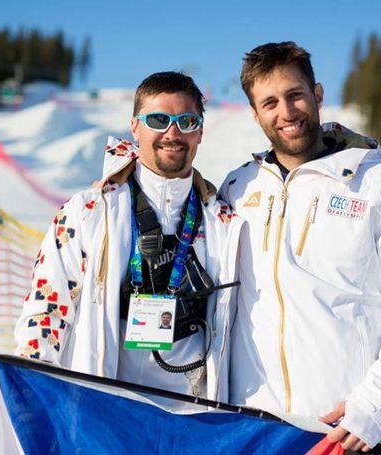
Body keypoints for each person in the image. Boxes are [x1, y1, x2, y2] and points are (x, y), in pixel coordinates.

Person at [220, 42, 381, 453]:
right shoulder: (237, 189)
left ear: (318, 94)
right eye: (269, 102)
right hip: (256, 432)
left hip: (351, 433)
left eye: (295, 95)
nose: (286, 112)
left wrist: (374, 408)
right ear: (255, 114)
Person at [15, 71, 244, 402]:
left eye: (187, 122)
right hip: (107, 405)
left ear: (201, 132)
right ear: (135, 126)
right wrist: (33, 393)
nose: (172, 132)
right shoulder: (88, 211)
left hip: (190, 417)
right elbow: (47, 307)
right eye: (158, 119)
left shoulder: (224, 221)